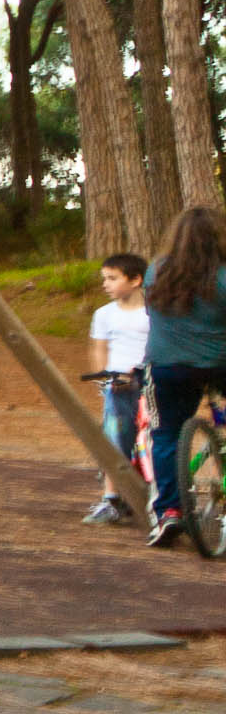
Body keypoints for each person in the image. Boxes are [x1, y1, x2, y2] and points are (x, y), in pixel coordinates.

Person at [141, 206, 226, 548]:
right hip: (219, 364)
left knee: (164, 434)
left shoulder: (156, 271)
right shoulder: (223, 276)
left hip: (166, 366)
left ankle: (169, 511)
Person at [84, 253, 150, 525]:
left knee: (151, 440)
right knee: (115, 438)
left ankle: (154, 494)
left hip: (149, 382)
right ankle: (111, 499)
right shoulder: (104, 314)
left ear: (135, 280)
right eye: (104, 279)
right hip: (117, 386)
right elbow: (99, 348)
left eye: (112, 278)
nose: (106, 284)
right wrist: (103, 378)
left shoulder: (153, 312)